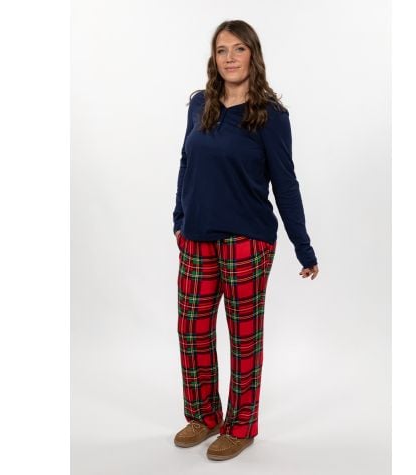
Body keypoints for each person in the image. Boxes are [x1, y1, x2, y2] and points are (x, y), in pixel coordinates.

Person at [172, 20, 319, 461]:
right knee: (192, 330)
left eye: (238, 49)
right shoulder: (200, 105)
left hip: (247, 240)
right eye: (222, 50)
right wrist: (179, 218)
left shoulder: (270, 116)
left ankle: (241, 426)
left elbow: (285, 184)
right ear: (213, 58)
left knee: (244, 337)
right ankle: (203, 416)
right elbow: (186, 162)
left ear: (252, 55)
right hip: (196, 236)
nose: (230, 58)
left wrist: (303, 246)